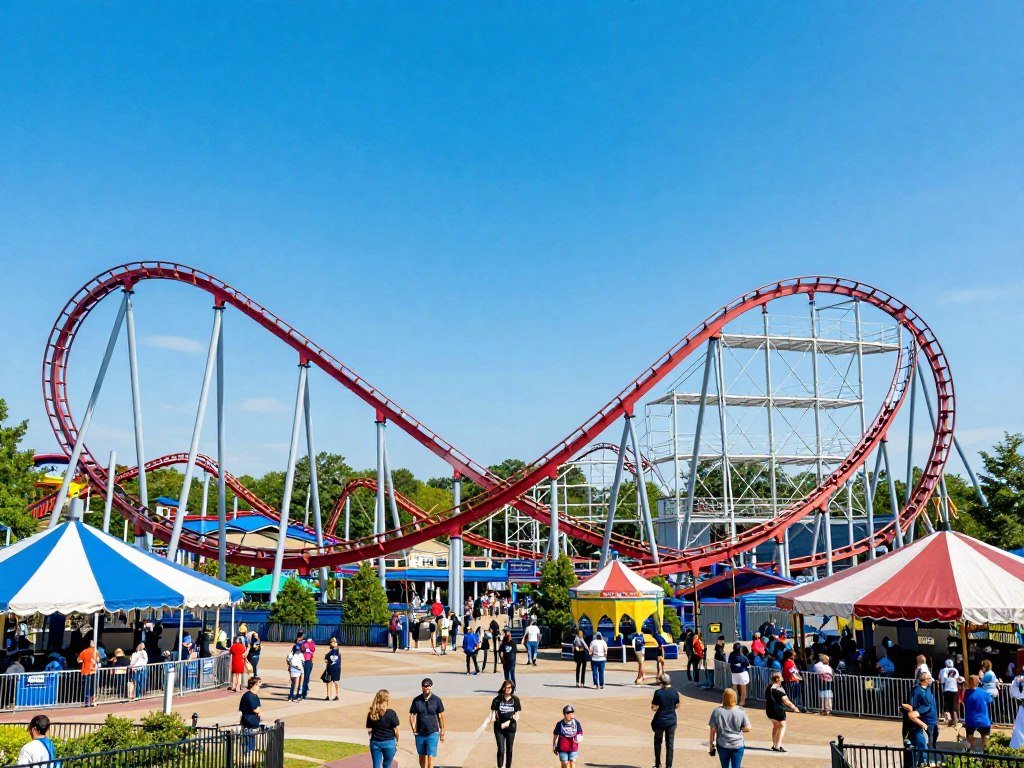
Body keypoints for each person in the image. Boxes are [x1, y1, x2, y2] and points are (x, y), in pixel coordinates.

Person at [708, 687, 750, 768]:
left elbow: (712, 730)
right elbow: (748, 728)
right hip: (737, 744)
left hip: (723, 744)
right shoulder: (740, 711)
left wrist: (711, 744)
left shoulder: (717, 711)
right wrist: (740, 729)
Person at [409, 677, 445, 768]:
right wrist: (414, 729)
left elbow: (441, 716)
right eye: (425, 686)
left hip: (433, 733)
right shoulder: (416, 700)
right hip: (420, 733)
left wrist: (442, 730)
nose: (426, 688)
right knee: (421, 756)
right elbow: (411, 715)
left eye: (428, 686)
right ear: (422, 687)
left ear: (431, 686)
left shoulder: (436, 700)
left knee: (430, 758)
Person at [650, 673, 679, 768]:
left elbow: (654, 708)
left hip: (660, 721)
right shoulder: (675, 692)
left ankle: (658, 764)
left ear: (661, 682)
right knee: (670, 744)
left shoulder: (658, 693)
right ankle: (669, 766)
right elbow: (677, 706)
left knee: (658, 742)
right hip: (671, 721)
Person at [765, 670, 799, 752]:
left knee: (775, 726)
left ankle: (774, 744)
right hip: (778, 710)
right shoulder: (779, 688)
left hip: (769, 710)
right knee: (782, 725)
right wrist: (794, 707)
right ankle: (778, 745)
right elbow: (786, 700)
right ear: (779, 679)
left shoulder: (768, 687)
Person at [490, 680, 521, 768]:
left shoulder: (515, 699)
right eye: (507, 687)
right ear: (503, 688)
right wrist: (491, 720)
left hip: (511, 728)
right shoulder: (497, 699)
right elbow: (493, 713)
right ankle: (500, 766)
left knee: (509, 750)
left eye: (510, 687)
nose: (509, 689)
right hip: (499, 728)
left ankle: (508, 766)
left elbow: (517, 716)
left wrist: (509, 722)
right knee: (501, 749)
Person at [366, 689, 400, 768]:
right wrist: (397, 741)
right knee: (386, 766)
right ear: (386, 700)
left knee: (376, 766)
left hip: (375, 743)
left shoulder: (371, 714)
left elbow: (369, 728)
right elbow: (396, 730)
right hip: (389, 743)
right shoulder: (391, 713)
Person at [910, 669, 939, 749]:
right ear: (924, 680)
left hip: (933, 717)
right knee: (930, 736)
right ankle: (931, 752)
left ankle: (932, 748)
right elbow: (913, 704)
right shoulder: (918, 690)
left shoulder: (928, 688)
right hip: (926, 717)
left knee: (935, 732)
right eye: (928, 679)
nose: (930, 680)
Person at [963, 674, 991, 752]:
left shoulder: (967, 692)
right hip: (983, 719)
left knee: (970, 738)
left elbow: (965, 702)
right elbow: (989, 701)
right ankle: (986, 756)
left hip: (971, 719)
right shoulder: (984, 692)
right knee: (985, 739)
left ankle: (969, 754)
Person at [900, 701, 930, 767]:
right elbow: (904, 706)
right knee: (913, 748)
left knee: (917, 747)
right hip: (912, 729)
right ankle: (920, 763)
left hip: (914, 729)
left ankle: (920, 763)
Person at [937, 659, 964, 728]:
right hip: (954, 689)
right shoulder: (955, 670)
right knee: (954, 706)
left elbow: (941, 680)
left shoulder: (943, 670)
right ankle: (954, 721)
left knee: (948, 706)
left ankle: (952, 721)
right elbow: (958, 679)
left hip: (946, 690)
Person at [239, 676, 263, 754]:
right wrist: (258, 710)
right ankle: (247, 757)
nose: (259, 688)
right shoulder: (250, 696)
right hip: (249, 721)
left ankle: (250, 755)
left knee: (251, 741)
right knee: (248, 743)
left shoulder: (251, 695)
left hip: (250, 721)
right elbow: (256, 709)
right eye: (259, 685)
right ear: (254, 685)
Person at [77, 639, 99, 707]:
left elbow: (79, 660)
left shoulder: (84, 652)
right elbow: (98, 660)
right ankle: (92, 701)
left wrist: (85, 661)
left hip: (86, 670)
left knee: (87, 687)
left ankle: (87, 702)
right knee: (93, 686)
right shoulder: (96, 652)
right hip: (94, 670)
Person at [299, 633, 316, 699]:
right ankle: (303, 692)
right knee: (306, 677)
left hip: (306, 661)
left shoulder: (304, 643)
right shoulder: (309, 643)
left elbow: (311, 650)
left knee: (305, 677)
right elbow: (312, 649)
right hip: (307, 662)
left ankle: (304, 692)